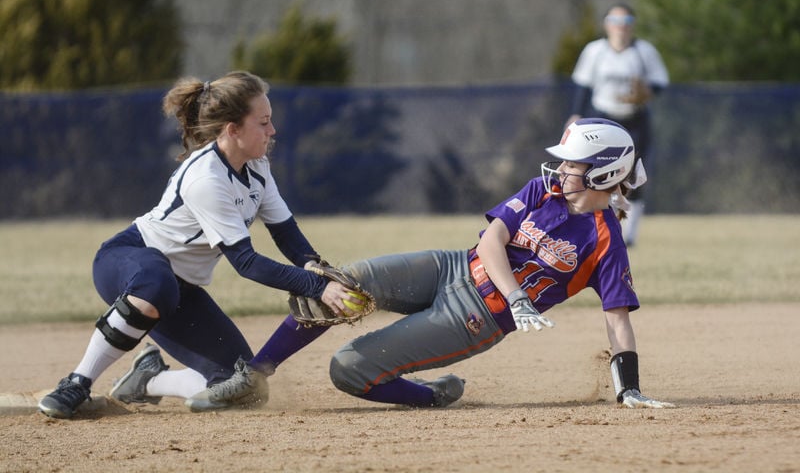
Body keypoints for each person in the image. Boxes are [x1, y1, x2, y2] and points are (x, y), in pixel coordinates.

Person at [200, 118, 674, 410]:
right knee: (339, 285)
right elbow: (492, 242)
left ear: (604, 173)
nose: (562, 169)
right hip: (451, 266)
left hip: (474, 318)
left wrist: (627, 388)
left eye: (574, 164)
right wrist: (519, 297)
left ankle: (431, 395)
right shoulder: (541, 190)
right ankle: (255, 376)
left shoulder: (605, 240)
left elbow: (618, 320)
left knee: (347, 368)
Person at [37, 71, 360, 419]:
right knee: (157, 283)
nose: (272, 131)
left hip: (179, 290)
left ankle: (149, 380)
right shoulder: (207, 178)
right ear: (232, 129)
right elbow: (246, 263)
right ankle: (77, 382)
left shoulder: (257, 166)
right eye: (263, 122)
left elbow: (286, 233)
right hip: (129, 262)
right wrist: (316, 287)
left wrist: (315, 267)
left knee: (241, 388)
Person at [566, 3, 669, 246]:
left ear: (633, 26)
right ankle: (591, 227)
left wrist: (647, 92)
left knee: (634, 175)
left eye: (627, 22)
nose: (621, 27)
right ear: (606, 24)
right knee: (594, 174)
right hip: (603, 118)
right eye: (615, 21)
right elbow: (583, 85)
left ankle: (628, 234)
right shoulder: (595, 51)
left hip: (635, 119)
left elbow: (659, 82)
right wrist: (576, 114)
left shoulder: (644, 52)